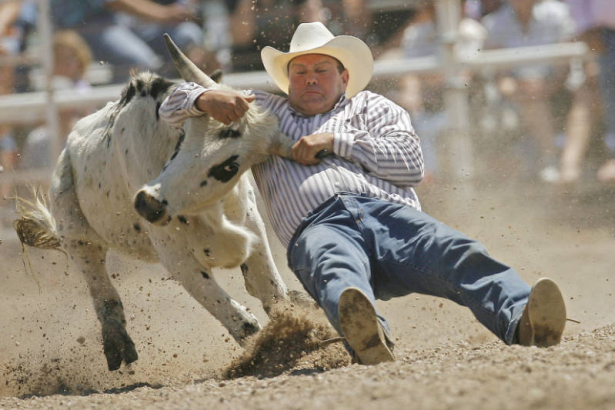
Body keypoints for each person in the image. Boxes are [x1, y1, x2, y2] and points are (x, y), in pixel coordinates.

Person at [159, 22, 567, 365]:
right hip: (317, 225)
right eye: (299, 72)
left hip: (391, 215)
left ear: (344, 78)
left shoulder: (375, 107)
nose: (311, 78)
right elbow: (167, 107)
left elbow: (408, 165)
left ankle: (522, 319)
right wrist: (203, 96)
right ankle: (370, 336)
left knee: (457, 251)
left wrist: (335, 140)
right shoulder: (261, 113)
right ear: (288, 81)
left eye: (321, 69)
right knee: (334, 266)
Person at [481, 0, 575, 182]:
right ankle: (549, 160)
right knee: (530, 100)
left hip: (558, 91)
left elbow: (565, 66)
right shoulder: (494, 23)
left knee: (531, 100)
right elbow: (499, 75)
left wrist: (547, 87)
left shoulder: (559, 13)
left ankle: (549, 160)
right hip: (517, 95)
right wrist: (513, 88)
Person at [50, 0, 200, 82]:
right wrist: (164, 14)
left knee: (188, 35)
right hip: (82, 26)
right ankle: (118, 120)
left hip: (118, 20)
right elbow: (114, 2)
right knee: (140, 62)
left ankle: (182, 106)